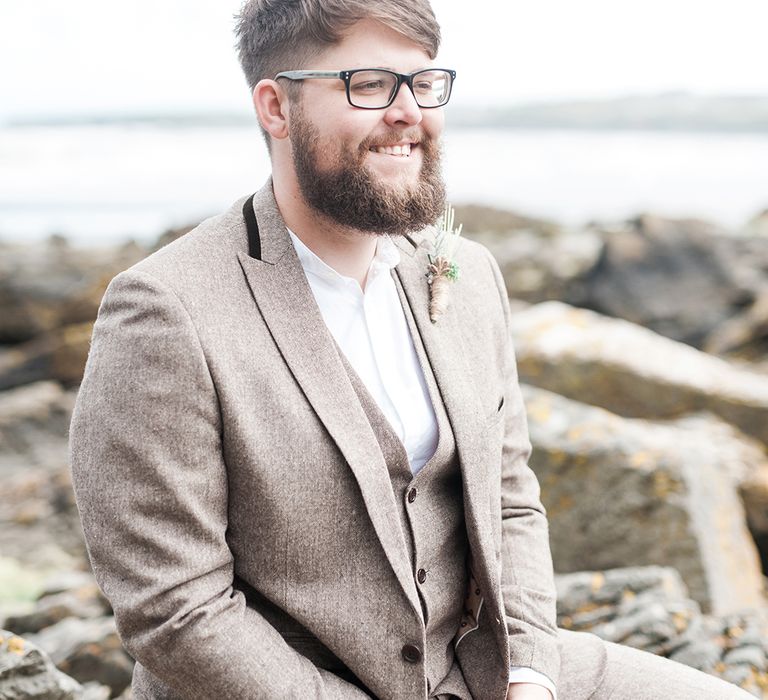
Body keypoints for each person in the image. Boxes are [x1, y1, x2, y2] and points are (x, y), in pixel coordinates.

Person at [69, 1, 754, 698]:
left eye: (423, 85)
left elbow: (511, 500)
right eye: (369, 84)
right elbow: (176, 610)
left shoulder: (467, 273)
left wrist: (531, 678)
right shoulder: (163, 310)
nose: (408, 113)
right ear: (276, 107)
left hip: (480, 672)